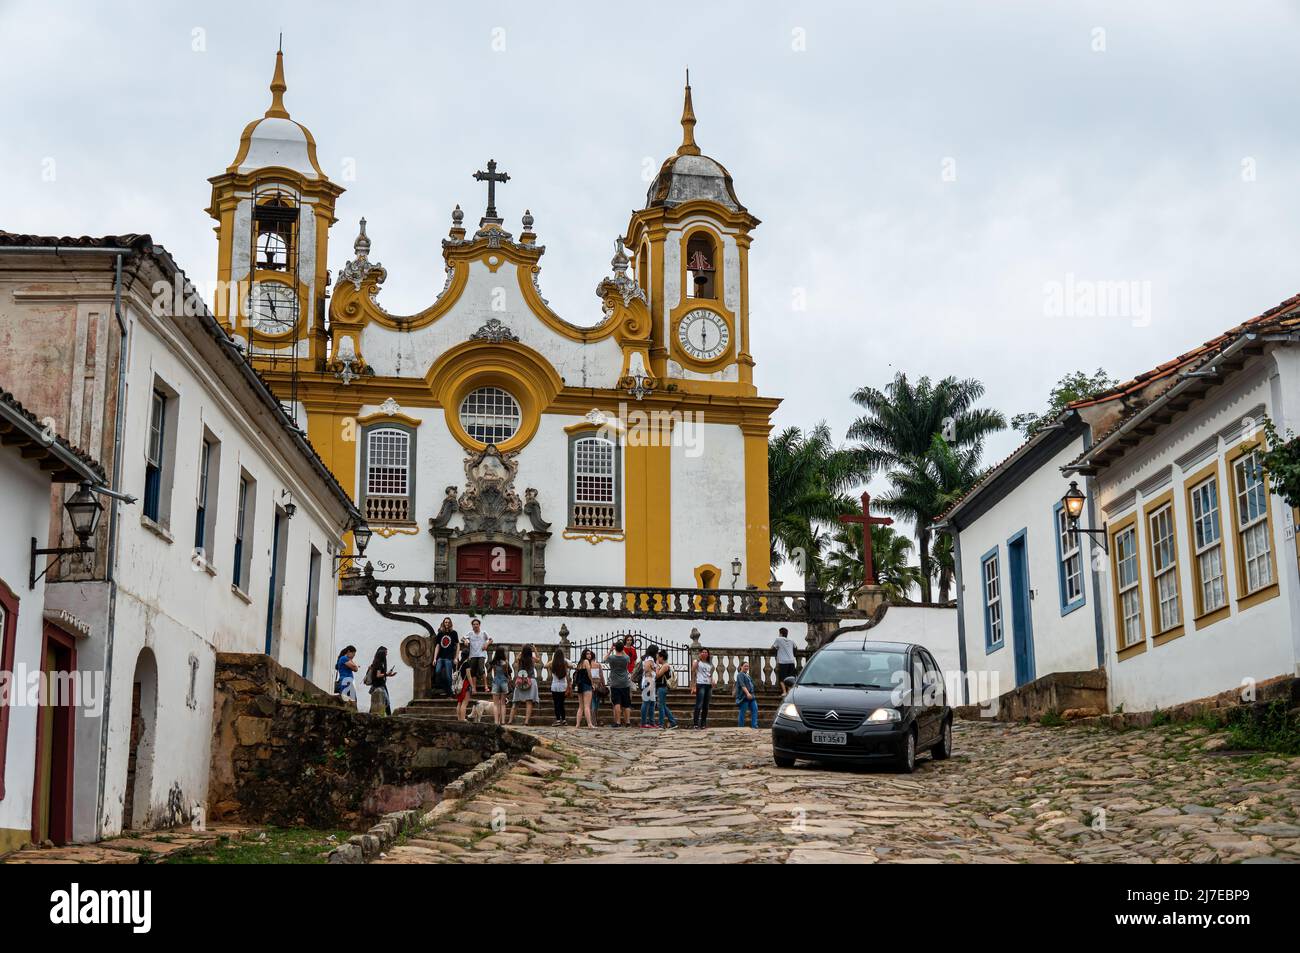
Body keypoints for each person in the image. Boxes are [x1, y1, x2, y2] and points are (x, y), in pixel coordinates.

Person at [604, 639, 631, 728]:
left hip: (615, 682)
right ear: (622, 648)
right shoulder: (625, 658)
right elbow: (629, 659)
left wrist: (610, 650)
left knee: (617, 703)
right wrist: (622, 650)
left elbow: (605, 659)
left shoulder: (612, 658)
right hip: (625, 682)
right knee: (626, 703)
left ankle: (618, 722)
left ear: (615, 648)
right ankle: (627, 722)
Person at [510, 644, 540, 726]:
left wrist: (522, 650)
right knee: (529, 702)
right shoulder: (532, 659)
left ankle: (510, 720)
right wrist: (535, 649)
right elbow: (539, 659)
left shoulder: (520, 659)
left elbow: (516, 658)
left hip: (521, 680)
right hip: (531, 681)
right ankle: (526, 721)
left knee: (515, 702)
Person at [366, 647, 397, 716]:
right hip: (379, 685)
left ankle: (372, 716)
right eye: (385, 653)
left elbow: (379, 675)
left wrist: (389, 675)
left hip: (378, 685)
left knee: (378, 702)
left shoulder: (376, 663)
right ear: (382, 654)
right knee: (385, 702)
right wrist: (387, 674)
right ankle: (389, 717)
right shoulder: (379, 664)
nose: (386, 654)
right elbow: (378, 675)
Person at [464, 618, 491, 692]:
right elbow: (463, 638)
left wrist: (487, 644)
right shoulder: (470, 633)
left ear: (479, 625)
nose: (475, 626)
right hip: (472, 655)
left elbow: (491, 639)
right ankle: (474, 687)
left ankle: (486, 686)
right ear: (472, 626)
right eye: (474, 624)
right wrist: (465, 640)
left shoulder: (483, 633)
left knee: (481, 669)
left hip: (481, 654)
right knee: (473, 671)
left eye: (477, 624)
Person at [692, 648, 716, 729]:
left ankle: (703, 723)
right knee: (699, 705)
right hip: (700, 684)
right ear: (700, 653)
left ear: (708, 654)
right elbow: (693, 670)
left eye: (706, 652)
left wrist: (712, 680)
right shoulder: (697, 662)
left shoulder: (710, 664)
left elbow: (710, 675)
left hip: (708, 685)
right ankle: (695, 723)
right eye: (703, 652)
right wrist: (693, 686)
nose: (704, 653)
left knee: (706, 706)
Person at [433, 617, 459, 696]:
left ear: (450, 623)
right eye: (445, 622)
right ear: (443, 623)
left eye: (448, 622)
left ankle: (450, 692)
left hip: (449, 658)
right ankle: (444, 688)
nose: (447, 624)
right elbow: (437, 646)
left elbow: (458, 645)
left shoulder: (454, 633)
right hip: (440, 657)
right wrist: (434, 658)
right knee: (437, 672)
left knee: (448, 676)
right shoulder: (440, 633)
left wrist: (456, 657)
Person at [655, 650, 678, 729]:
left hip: (662, 687)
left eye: (658, 657)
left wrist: (657, 665)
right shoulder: (664, 665)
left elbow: (657, 675)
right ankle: (673, 722)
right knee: (663, 706)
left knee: (660, 706)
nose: (657, 659)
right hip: (661, 687)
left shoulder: (665, 666)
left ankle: (661, 724)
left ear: (661, 657)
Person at [489, 646, 512, 725]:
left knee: (495, 704)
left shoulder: (494, 662)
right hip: (504, 682)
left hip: (496, 682)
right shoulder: (506, 662)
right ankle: (502, 721)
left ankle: (496, 721)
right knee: (503, 704)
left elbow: (489, 671)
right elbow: (510, 671)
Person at [574, 649, 596, 728]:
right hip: (586, 684)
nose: (589, 655)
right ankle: (589, 724)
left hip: (580, 685)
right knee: (587, 706)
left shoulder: (580, 663)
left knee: (581, 706)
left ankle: (578, 724)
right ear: (584, 655)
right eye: (587, 654)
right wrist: (592, 683)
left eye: (590, 654)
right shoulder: (586, 662)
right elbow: (589, 673)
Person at [735, 660, 759, 728]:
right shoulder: (740, 674)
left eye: (747, 666)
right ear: (741, 667)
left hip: (751, 696)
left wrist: (751, 694)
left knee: (755, 709)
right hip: (744, 696)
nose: (746, 667)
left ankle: (754, 726)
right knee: (743, 712)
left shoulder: (747, 675)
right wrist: (747, 693)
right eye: (745, 666)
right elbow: (742, 685)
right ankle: (741, 727)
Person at [549, 650, 570, 726]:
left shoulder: (553, 664)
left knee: (556, 704)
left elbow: (545, 665)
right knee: (561, 703)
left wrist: (553, 660)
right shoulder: (565, 664)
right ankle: (564, 720)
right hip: (563, 686)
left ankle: (558, 720)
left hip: (554, 686)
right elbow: (571, 665)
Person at [639, 651, 658, 727]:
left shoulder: (650, 659)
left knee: (652, 703)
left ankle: (651, 722)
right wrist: (650, 683)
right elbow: (647, 670)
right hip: (648, 683)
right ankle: (643, 723)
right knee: (646, 702)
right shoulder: (649, 659)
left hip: (651, 683)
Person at [589, 653, 607, 726]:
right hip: (598, 684)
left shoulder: (588, 665)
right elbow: (601, 676)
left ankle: (594, 721)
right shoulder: (598, 665)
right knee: (597, 703)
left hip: (591, 684)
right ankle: (595, 719)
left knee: (592, 702)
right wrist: (604, 684)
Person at [455, 656, 475, 721]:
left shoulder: (459, 663)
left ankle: (459, 719)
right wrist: (472, 686)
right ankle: (463, 719)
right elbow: (469, 676)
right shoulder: (466, 664)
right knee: (464, 703)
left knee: (459, 702)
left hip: (459, 685)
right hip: (465, 684)